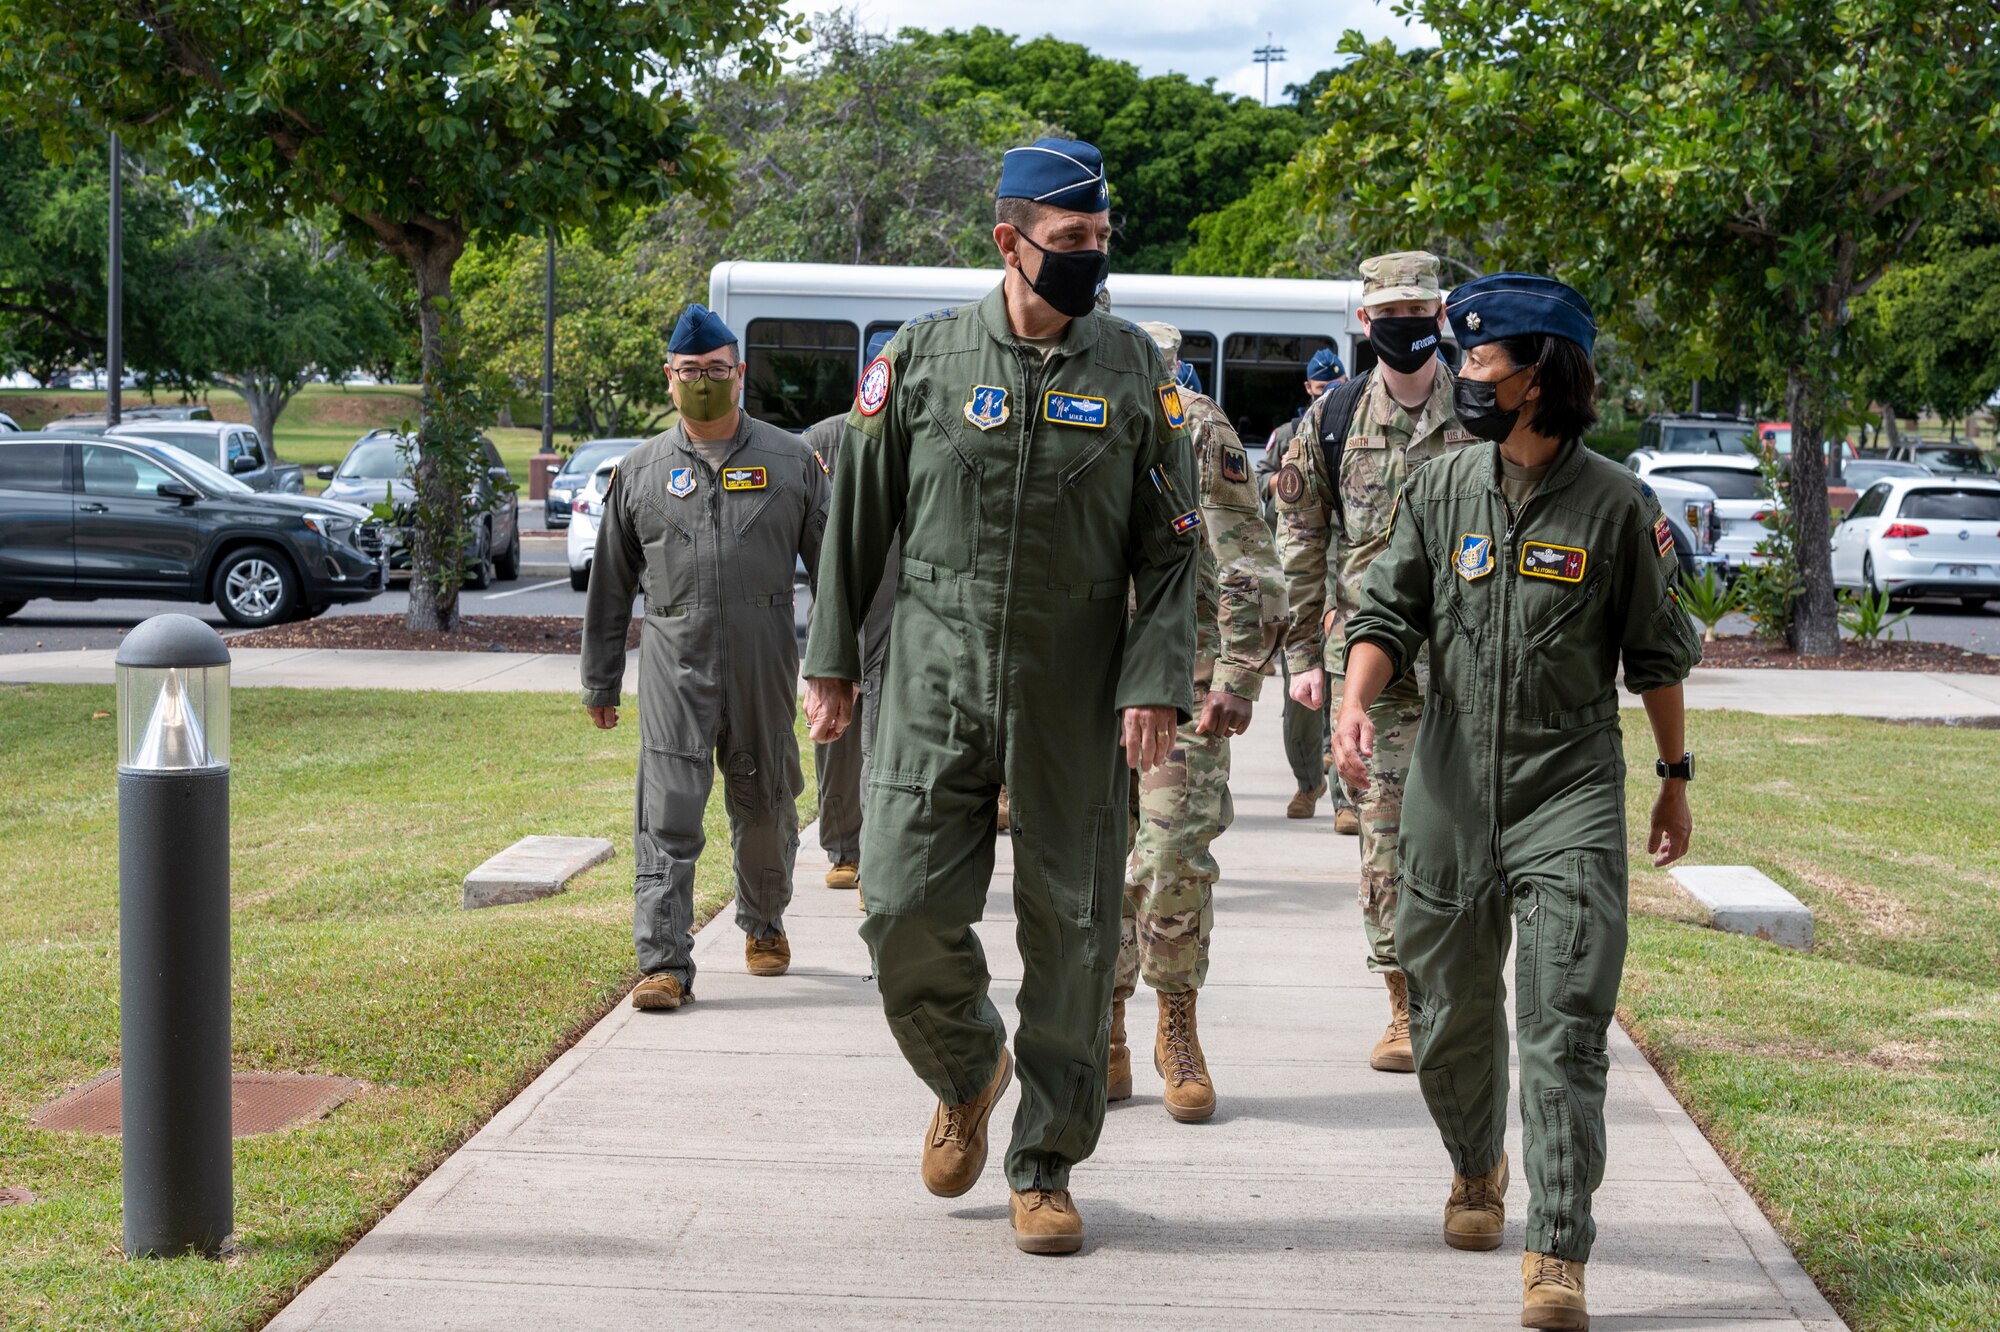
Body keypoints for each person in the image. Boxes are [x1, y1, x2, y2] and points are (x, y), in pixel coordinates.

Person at [802, 137, 1199, 1257]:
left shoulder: (1133, 372)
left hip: (1074, 684)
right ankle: (968, 1067)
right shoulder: (920, 362)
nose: (1088, 262)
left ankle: (1043, 1164)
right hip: (932, 672)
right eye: (1068, 243)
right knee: (896, 909)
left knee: (1073, 931)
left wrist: (1153, 678)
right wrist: (829, 660)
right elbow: (855, 523)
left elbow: (1173, 549)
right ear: (1007, 241)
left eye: (1099, 243)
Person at [1333, 272, 1700, 1331]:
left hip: (1567, 788)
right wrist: (1356, 703)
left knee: (1561, 1025)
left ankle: (1555, 1249)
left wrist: (1674, 781)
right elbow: (1384, 612)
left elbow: (1655, 654)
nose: (1465, 377)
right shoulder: (1442, 490)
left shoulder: (1619, 505)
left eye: (1483, 363)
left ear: (1540, 374)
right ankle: (1472, 1166)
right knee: (1445, 1016)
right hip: (1448, 784)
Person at [581, 304, 831, 1009]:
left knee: (766, 803)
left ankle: (764, 922)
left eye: (716, 371)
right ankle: (663, 962)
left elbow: (837, 571)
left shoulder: (791, 462)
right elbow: (609, 587)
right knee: (666, 810)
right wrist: (600, 679)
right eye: (689, 372)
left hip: (764, 657)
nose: (702, 383)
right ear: (669, 379)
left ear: (739, 375)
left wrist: (835, 666)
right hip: (673, 661)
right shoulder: (639, 472)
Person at [1274, 250, 1478, 1074]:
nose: (1402, 325)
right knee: (1385, 841)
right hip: (1372, 669)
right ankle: (1402, 1006)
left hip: (1470, 665)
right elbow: (1300, 546)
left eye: (1417, 312)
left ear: (1440, 316)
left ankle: (1458, 996)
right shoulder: (1332, 421)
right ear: (1365, 321)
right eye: (1386, 313)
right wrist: (1303, 655)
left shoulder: (1481, 408)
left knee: (1468, 843)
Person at [1112, 321, 1283, 1123]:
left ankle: (1175, 1022)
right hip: (1081, 676)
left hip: (1186, 670)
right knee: (1095, 859)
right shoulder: (1067, 409)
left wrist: (1241, 670)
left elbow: (1246, 551)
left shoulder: (1197, 423)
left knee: (1174, 851)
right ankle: (1100, 1028)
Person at [806, 329, 899, 898]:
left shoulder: (920, 436)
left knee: (888, 734)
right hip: (839, 609)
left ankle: (877, 855)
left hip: (899, 604)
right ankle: (843, 846)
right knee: (834, 735)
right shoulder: (821, 442)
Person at [1257, 346, 1352, 826]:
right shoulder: (1288, 435)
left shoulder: (1358, 426)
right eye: (1321, 387)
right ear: (1308, 389)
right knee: (1301, 694)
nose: (1328, 393)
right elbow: (1259, 484)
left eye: (1336, 385)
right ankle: (1308, 780)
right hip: (1302, 576)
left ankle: (1346, 797)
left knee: (1346, 684)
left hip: (1348, 578)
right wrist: (1288, 480)